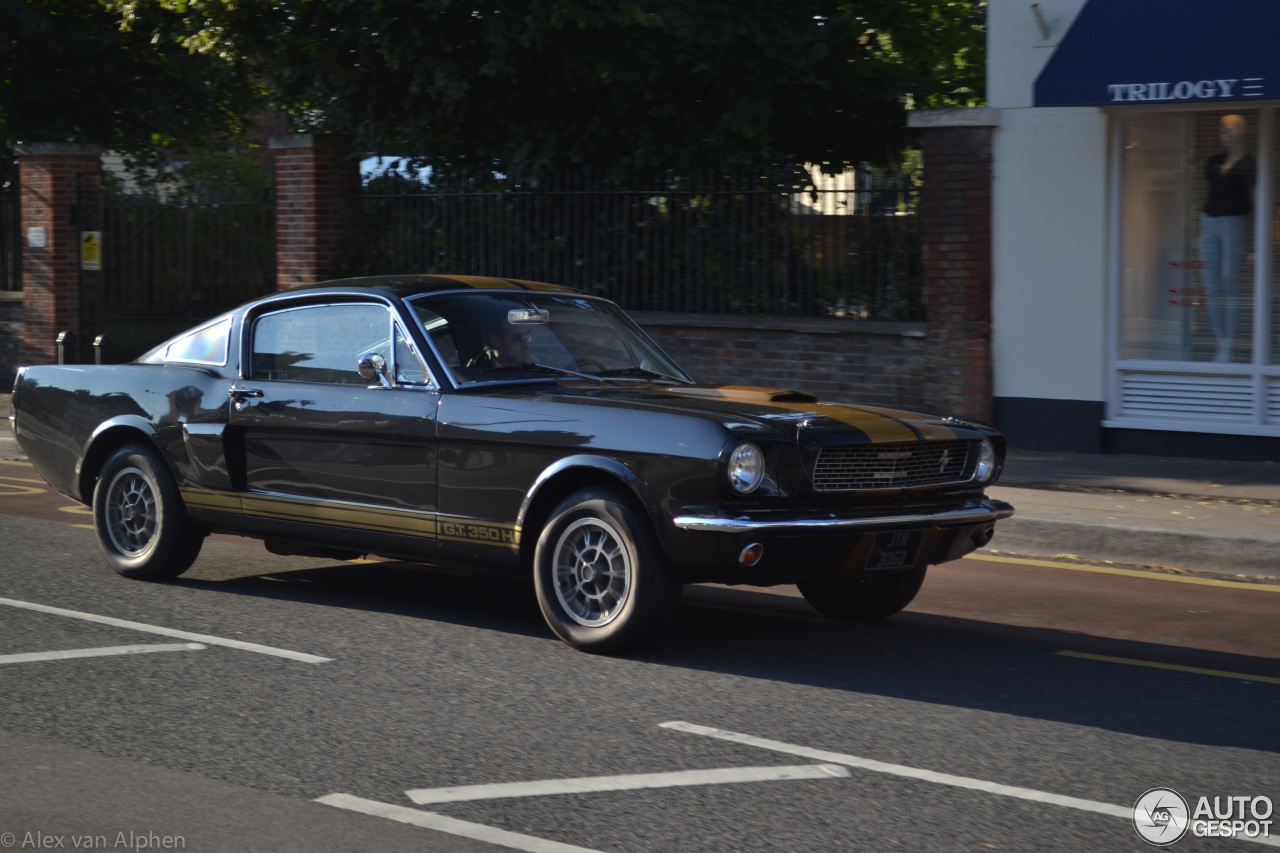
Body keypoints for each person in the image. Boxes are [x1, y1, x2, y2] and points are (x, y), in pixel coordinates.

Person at [1200, 113, 1254, 363]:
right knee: (1210, 286)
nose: (1225, 134)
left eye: (1230, 129)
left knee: (1230, 284)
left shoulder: (1249, 164)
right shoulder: (1214, 161)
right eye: (1222, 129)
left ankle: (1228, 343)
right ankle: (1220, 338)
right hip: (1209, 222)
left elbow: (1247, 200)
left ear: (1242, 132)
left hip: (1233, 222)